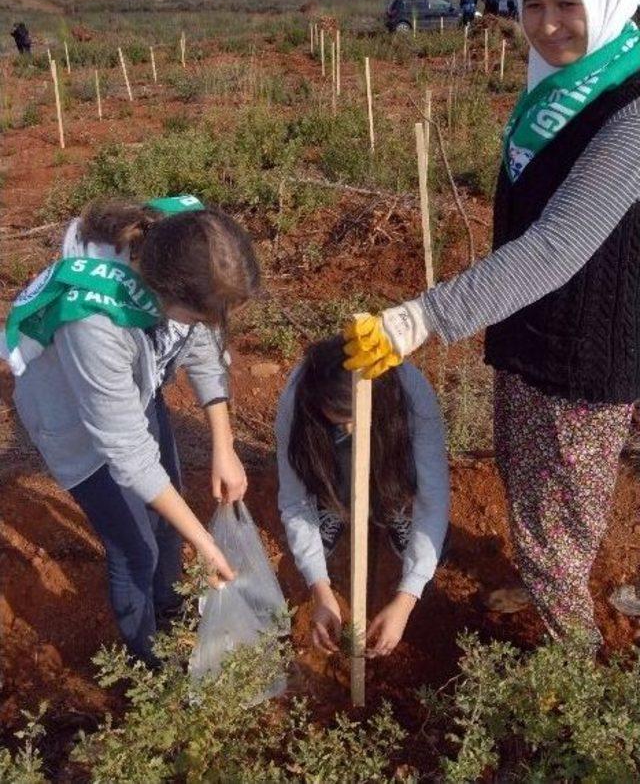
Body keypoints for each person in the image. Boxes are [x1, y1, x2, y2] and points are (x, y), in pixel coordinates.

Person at [343, 0, 640, 647]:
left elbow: (558, 245)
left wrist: (419, 317)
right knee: (532, 486)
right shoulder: (566, 82)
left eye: (567, 3)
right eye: (532, 4)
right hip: (536, 335)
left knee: (554, 523)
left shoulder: (631, 110)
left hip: (583, 359)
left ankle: (574, 677)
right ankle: (551, 581)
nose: (546, 24)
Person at [0, 195, 259, 666]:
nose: (210, 325)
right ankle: (148, 661)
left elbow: (201, 346)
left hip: (134, 392)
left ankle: (168, 606)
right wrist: (207, 545)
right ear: (162, 294)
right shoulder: (94, 321)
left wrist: (224, 444)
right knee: (134, 547)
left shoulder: (182, 243)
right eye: (201, 315)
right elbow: (125, 449)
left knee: (165, 518)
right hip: (79, 429)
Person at [276, 337, 449, 657]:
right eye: (342, 420)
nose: (352, 428)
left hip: (394, 449)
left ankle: (393, 507)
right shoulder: (298, 396)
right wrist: (321, 590)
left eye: (356, 417)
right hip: (329, 449)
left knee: (389, 454)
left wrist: (407, 598)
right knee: (332, 453)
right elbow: (294, 500)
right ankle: (332, 505)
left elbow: (434, 496)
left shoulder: (411, 392)